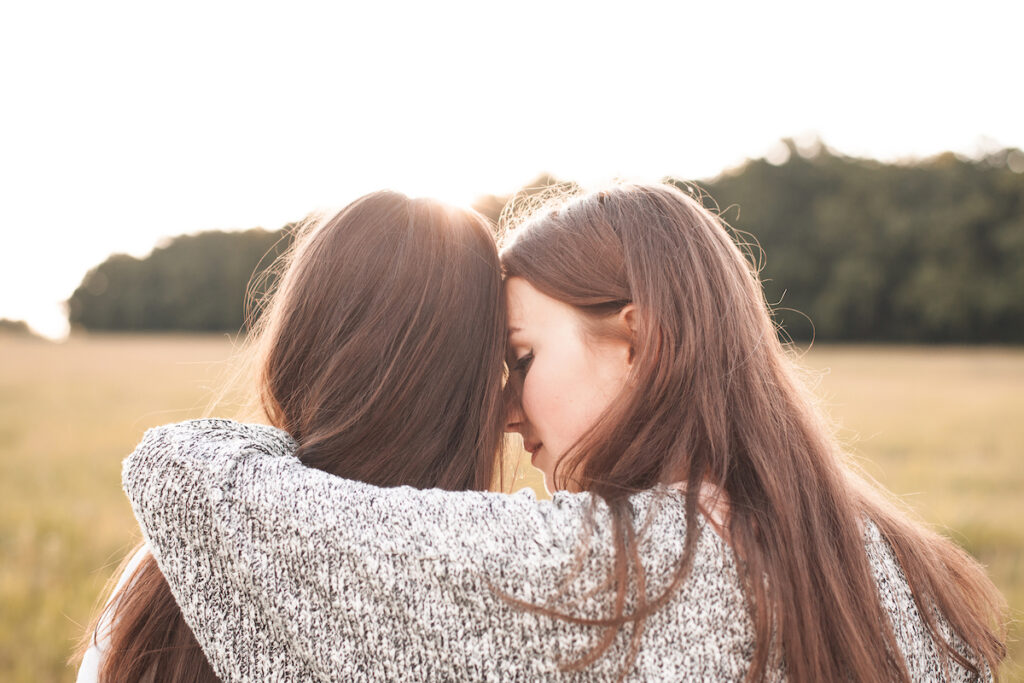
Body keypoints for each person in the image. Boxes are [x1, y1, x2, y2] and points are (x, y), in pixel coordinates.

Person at [121, 182, 1007, 681]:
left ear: (640, 340)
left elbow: (183, 480)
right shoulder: (897, 562)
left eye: (522, 357)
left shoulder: (612, 565)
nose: (507, 412)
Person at [76, 191, 508, 681]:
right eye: (509, 362)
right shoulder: (496, 604)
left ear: (295, 342)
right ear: (471, 387)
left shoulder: (170, 563)